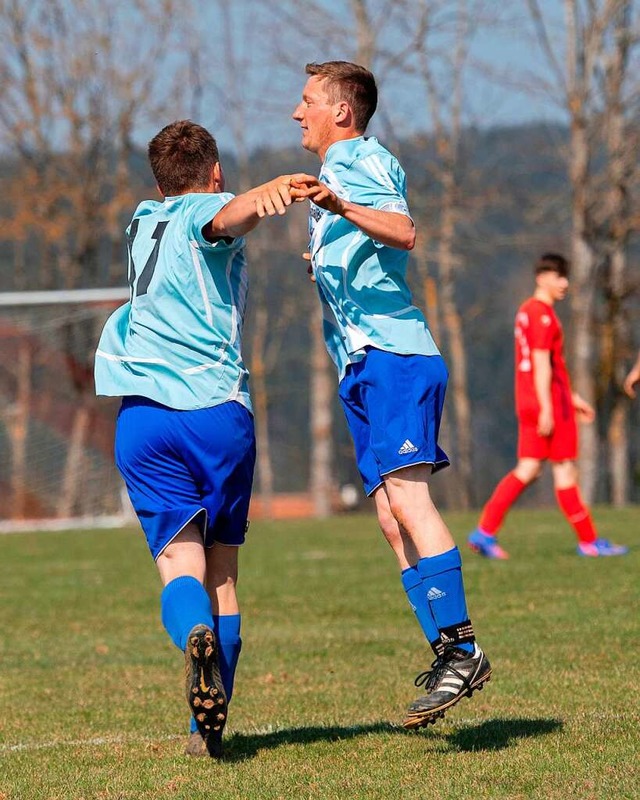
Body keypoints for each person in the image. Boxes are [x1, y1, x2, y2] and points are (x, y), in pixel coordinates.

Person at [95, 120, 305, 757]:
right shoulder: (208, 208)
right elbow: (222, 221)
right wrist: (260, 194)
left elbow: (197, 213)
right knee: (222, 576)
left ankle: (192, 636)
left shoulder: (142, 219)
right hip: (212, 413)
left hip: (142, 420)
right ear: (215, 173)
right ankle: (204, 732)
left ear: (157, 181)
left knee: (177, 569)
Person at [291, 61, 491, 730]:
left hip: (396, 356)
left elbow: (405, 230)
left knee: (409, 500)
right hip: (362, 364)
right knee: (387, 518)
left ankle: (463, 649)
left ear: (341, 113)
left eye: (308, 101)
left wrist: (342, 207)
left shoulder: (354, 161)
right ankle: (447, 653)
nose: (299, 113)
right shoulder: (336, 174)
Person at [468, 253, 629, 559]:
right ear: (542, 277)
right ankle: (590, 542)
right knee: (565, 471)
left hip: (531, 397)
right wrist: (549, 407)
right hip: (546, 402)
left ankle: (485, 531)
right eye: (559, 276)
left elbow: (550, 366)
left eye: (566, 276)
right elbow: (542, 364)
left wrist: (571, 396)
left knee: (528, 468)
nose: (565, 283)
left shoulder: (526, 311)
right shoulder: (543, 315)